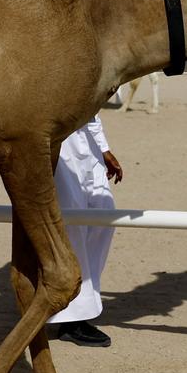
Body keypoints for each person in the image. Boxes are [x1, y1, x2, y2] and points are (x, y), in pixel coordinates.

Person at [49, 115, 123, 347]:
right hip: (57, 139)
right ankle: (72, 316)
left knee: (104, 214)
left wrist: (103, 147)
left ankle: (79, 304)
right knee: (73, 224)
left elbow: (89, 98)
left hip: (86, 139)